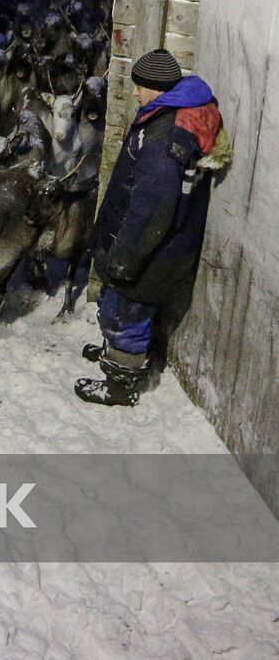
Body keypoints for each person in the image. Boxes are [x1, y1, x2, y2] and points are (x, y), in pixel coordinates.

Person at [80, 49, 229, 407]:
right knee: (118, 306)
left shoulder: (164, 139)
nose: (134, 93)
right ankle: (113, 352)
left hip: (148, 251)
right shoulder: (167, 115)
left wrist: (124, 258)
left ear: (160, 89)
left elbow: (150, 211)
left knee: (125, 314)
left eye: (140, 86)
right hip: (151, 245)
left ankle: (121, 383)